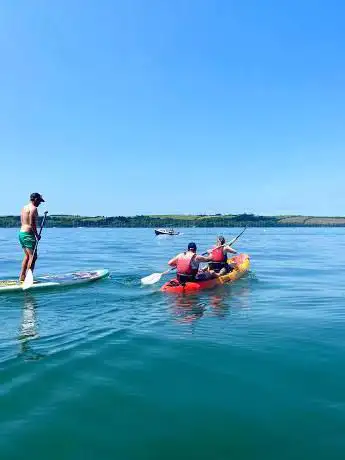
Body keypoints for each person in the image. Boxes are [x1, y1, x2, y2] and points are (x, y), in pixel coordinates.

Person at [19, 193, 45, 282]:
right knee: (33, 257)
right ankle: (28, 279)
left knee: (27, 256)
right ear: (35, 199)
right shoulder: (34, 209)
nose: (40, 203)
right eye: (39, 201)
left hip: (21, 233)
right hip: (28, 235)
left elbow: (23, 221)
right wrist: (37, 235)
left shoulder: (24, 207)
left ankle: (22, 277)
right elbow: (32, 224)